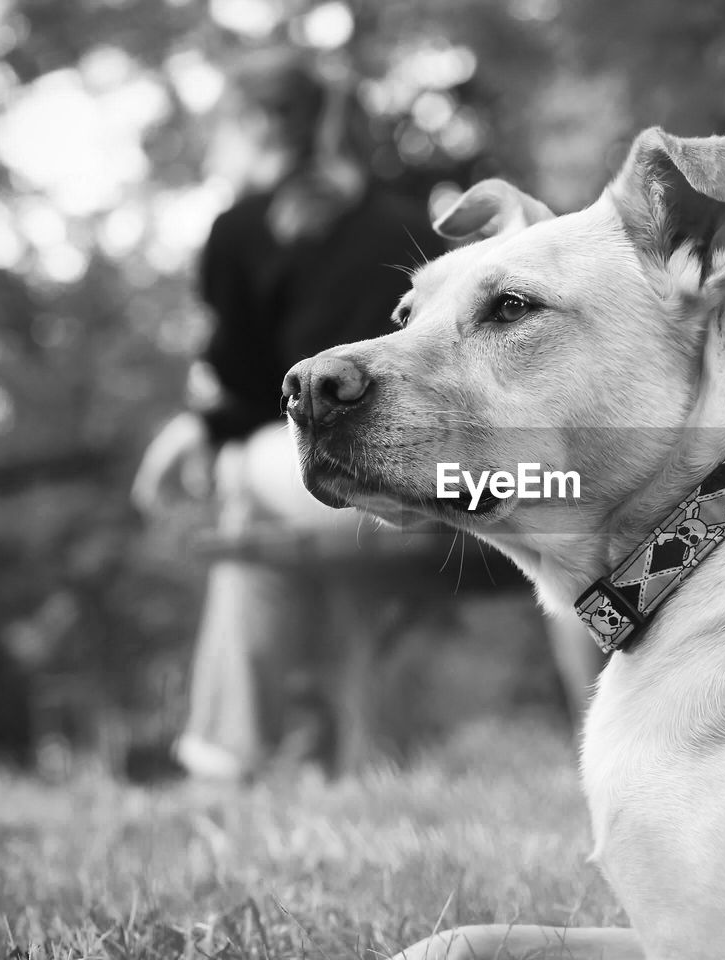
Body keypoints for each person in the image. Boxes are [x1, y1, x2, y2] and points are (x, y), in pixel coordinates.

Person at [132, 51, 447, 780]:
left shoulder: (241, 229)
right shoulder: (407, 224)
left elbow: (243, 392)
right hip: (451, 479)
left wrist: (202, 430)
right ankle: (327, 753)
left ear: (252, 124)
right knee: (273, 531)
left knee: (244, 478)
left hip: (366, 488)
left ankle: (227, 753)